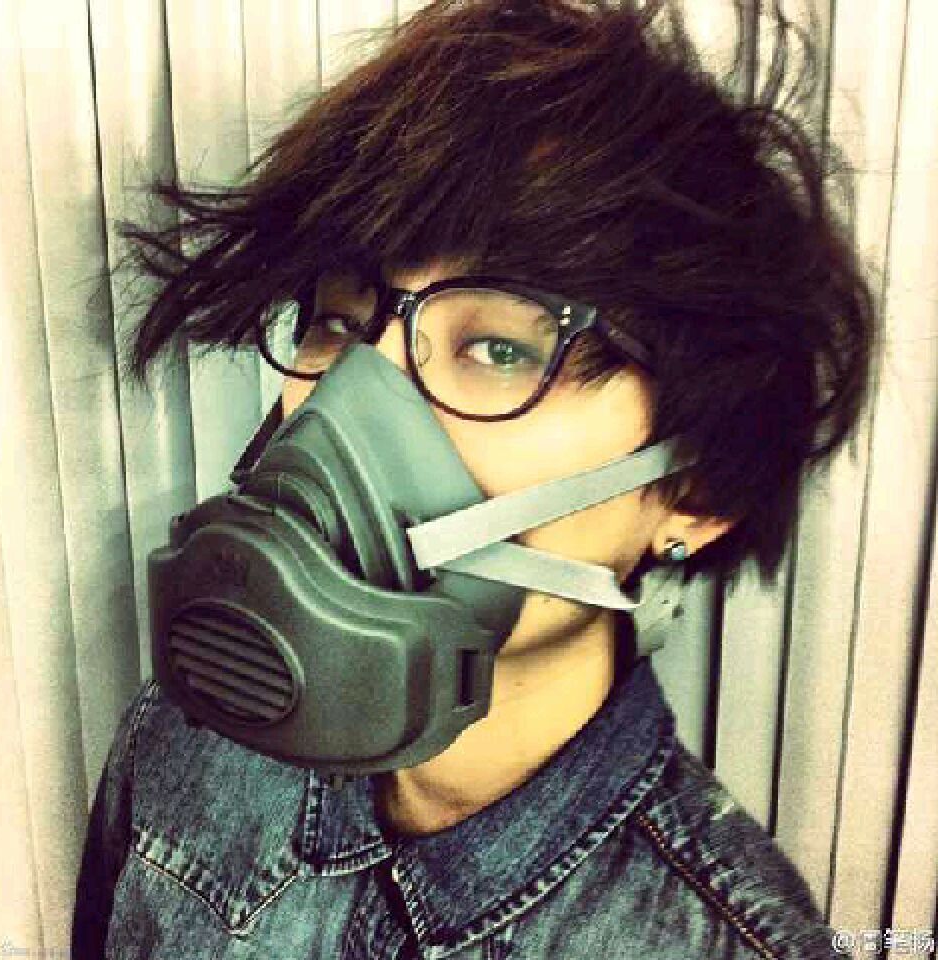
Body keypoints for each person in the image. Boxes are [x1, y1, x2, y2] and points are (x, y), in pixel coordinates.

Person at [72, 1, 875, 957]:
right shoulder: (181, 746)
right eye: (337, 322)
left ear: (696, 490)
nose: (348, 405)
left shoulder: (722, 941)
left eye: (499, 347)